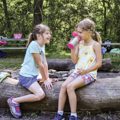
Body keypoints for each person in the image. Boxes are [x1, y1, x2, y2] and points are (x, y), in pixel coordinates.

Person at [53, 18, 102, 120]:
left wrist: (86, 71)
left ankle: (73, 115)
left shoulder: (96, 45)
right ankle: (59, 113)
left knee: (70, 87)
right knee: (63, 86)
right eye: (77, 32)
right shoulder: (79, 44)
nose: (78, 35)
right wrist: (72, 48)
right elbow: (75, 61)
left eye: (80, 32)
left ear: (89, 31)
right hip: (78, 71)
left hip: (89, 73)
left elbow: (99, 63)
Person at [7, 24, 53, 118]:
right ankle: (14, 101)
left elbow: (45, 63)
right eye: (47, 33)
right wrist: (45, 79)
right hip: (26, 77)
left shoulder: (42, 44)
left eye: (49, 33)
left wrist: (47, 78)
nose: (49, 35)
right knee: (40, 95)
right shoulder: (34, 45)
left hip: (34, 75)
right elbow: (40, 64)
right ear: (39, 35)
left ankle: (42, 78)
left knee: (50, 80)